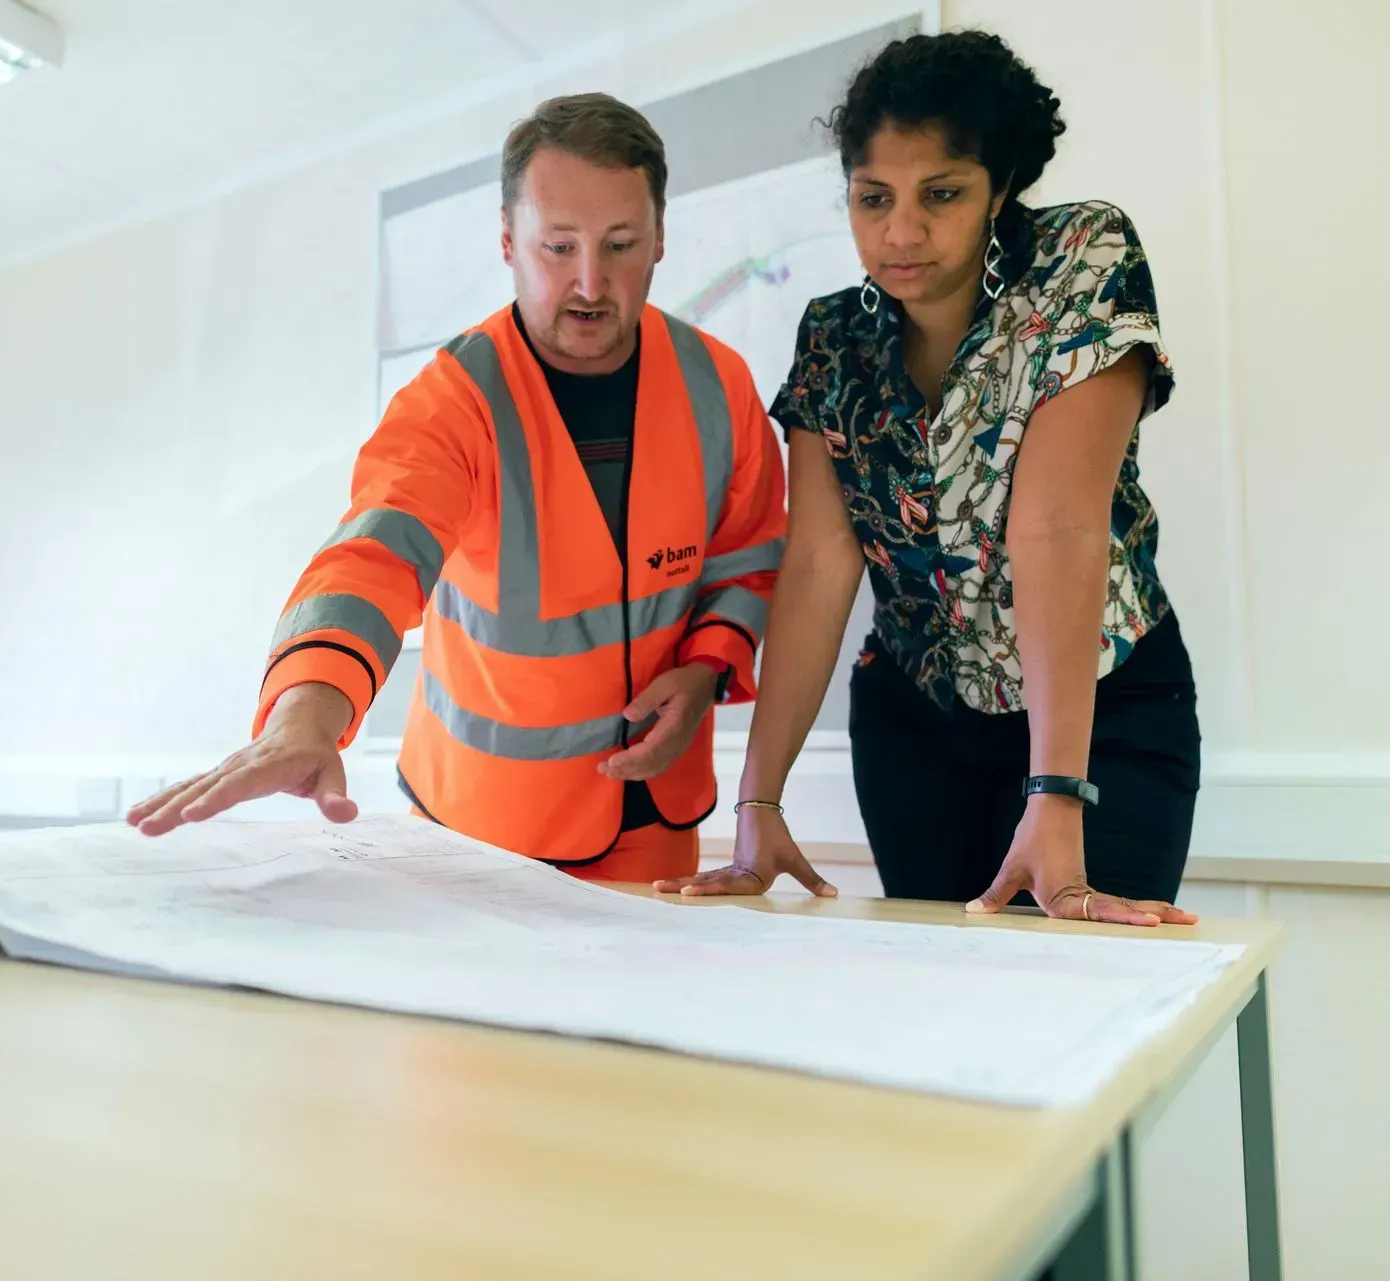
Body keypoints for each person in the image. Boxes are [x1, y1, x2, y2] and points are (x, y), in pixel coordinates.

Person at [128, 93, 788, 885]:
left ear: (660, 241)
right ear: (508, 242)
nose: (589, 281)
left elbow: (746, 559)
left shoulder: (720, 386)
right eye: (557, 247)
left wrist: (708, 666)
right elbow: (372, 557)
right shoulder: (451, 401)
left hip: (655, 817)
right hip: (480, 832)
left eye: (620, 244)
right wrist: (304, 717)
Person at [656, 31, 1201, 928]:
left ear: (999, 189)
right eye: (874, 199)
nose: (900, 233)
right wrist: (758, 805)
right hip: (915, 729)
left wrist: (1057, 791)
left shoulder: (1080, 261)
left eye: (941, 195)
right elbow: (822, 565)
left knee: (1075, 1007)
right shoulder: (834, 337)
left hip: (1101, 715)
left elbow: (1054, 528)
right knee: (941, 1020)